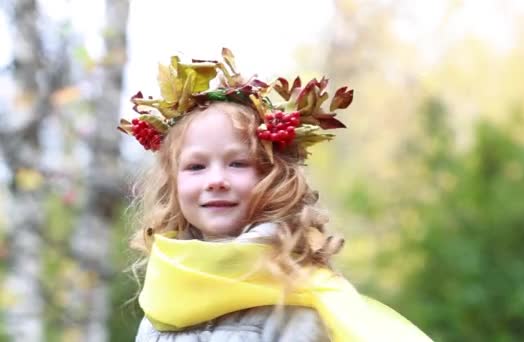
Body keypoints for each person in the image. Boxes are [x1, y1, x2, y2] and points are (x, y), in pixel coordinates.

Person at [119, 48, 433, 342]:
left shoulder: (296, 297)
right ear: (172, 184)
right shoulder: (164, 293)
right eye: (196, 166)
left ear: (274, 177)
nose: (216, 180)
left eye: (238, 163)